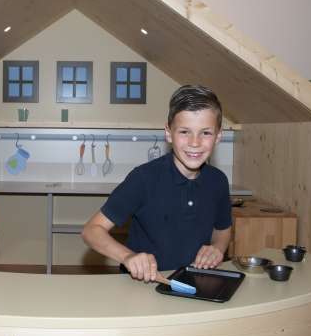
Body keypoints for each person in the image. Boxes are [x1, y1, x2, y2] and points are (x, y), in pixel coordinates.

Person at [81, 84, 231, 282]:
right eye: (184, 132)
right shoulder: (143, 179)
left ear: (218, 136)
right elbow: (91, 231)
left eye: (206, 133)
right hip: (143, 285)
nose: (195, 142)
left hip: (196, 283)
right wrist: (128, 256)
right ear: (168, 133)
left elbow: (222, 230)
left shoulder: (219, 181)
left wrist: (217, 248)